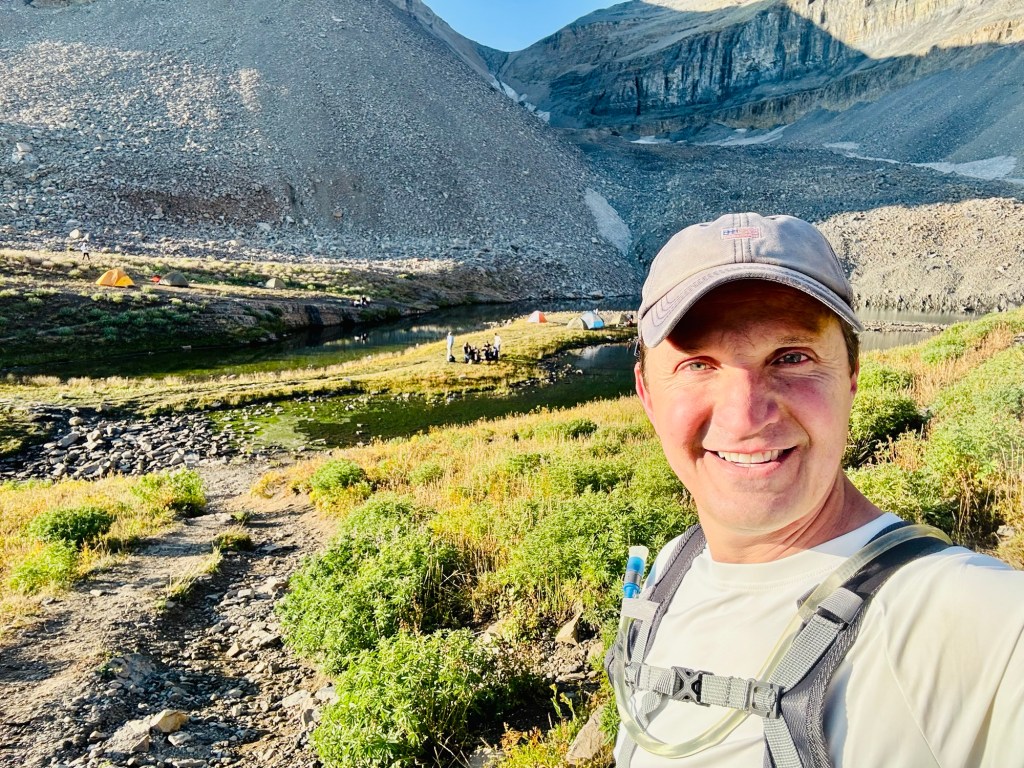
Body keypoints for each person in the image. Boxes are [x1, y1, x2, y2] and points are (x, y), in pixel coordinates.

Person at [612, 212, 1024, 767]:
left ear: (852, 375)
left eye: (791, 358)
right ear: (646, 393)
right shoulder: (668, 575)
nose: (746, 416)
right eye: (698, 364)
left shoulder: (982, 622)